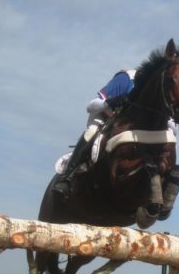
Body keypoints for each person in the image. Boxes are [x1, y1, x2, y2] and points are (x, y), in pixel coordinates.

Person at [52, 69, 136, 199]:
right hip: (104, 119)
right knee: (92, 132)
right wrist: (112, 101)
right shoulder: (126, 79)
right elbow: (91, 106)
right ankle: (67, 176)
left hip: (128, 127)